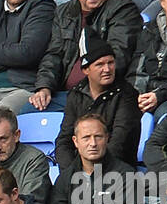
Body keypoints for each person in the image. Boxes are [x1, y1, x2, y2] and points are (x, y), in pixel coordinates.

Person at [28, 0, 139, 114]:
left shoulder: (123, 10)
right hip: (63, 94)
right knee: (29, 111)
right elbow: (54, 55)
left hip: (101, 96)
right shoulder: (64, 12)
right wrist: (44, 87)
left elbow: (118, 56)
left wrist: (85, 91)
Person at [49, 114, 142, 204]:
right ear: (75, 141)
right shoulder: (65, 178)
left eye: (98, 137)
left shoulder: (126, 175)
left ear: (107, 138)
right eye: (86, 137)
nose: (93, 143)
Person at [52, 36, 140, 171]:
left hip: (117, 172)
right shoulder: (75, 95)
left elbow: (119, 142)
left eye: (110, 63)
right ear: (86, 70)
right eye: (100, 64)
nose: (107, 69)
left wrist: (93, 173)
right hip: (80, 170)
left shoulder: (127, 95)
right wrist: (71, 172)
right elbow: (64, 140)